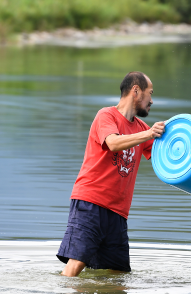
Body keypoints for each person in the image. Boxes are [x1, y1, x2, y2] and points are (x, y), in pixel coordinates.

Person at [57, 71, 165, 277]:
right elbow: (113, 143)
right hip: (91, 203)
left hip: (118, 213)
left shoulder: (141, 128)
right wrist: (149, 133)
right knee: (77, 263)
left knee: (118, 274)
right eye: (150, 93)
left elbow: (166, 158)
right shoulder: (106, 115)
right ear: (136, 91)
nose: (152, 100)